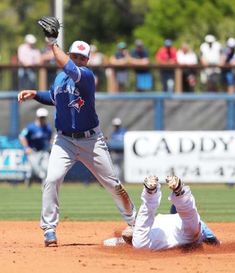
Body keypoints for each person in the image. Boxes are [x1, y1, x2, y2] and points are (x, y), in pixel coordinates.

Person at [18, 38, 136, 247]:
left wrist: (52, 44)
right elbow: (54, 98)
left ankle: (135, 223)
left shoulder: (87, 77)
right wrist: (36, 94)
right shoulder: (59, 79)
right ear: (70, 55)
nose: (79, 60)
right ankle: (49, 229)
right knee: (52, 179)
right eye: (75, 56)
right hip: (64, 140)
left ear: (88, 60)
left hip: (91, 140)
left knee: (112, 184)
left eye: (83, 57)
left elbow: (70, 68)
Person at [131, 175, 220, 250]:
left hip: (159, 233)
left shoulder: (160, 218)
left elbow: (136, 230)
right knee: (191, 224)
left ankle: (150, 193)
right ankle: (180, 194)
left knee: (139, 245)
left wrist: (131, 234)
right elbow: (213, 240)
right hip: (183, 235)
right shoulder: (180, 220)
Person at [19, 108, 52, 186]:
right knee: (35, 169)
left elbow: (50, 139)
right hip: (32, 151)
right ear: (37, 117)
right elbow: (22, 137)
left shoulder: (47, 128)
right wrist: (26, 147)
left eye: (44, 117)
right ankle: (29, 178)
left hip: (43, 151)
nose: (42, 119)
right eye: (41, 117)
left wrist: (50, 146)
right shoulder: (30, 127)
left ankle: (45, 185)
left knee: (46, 168)